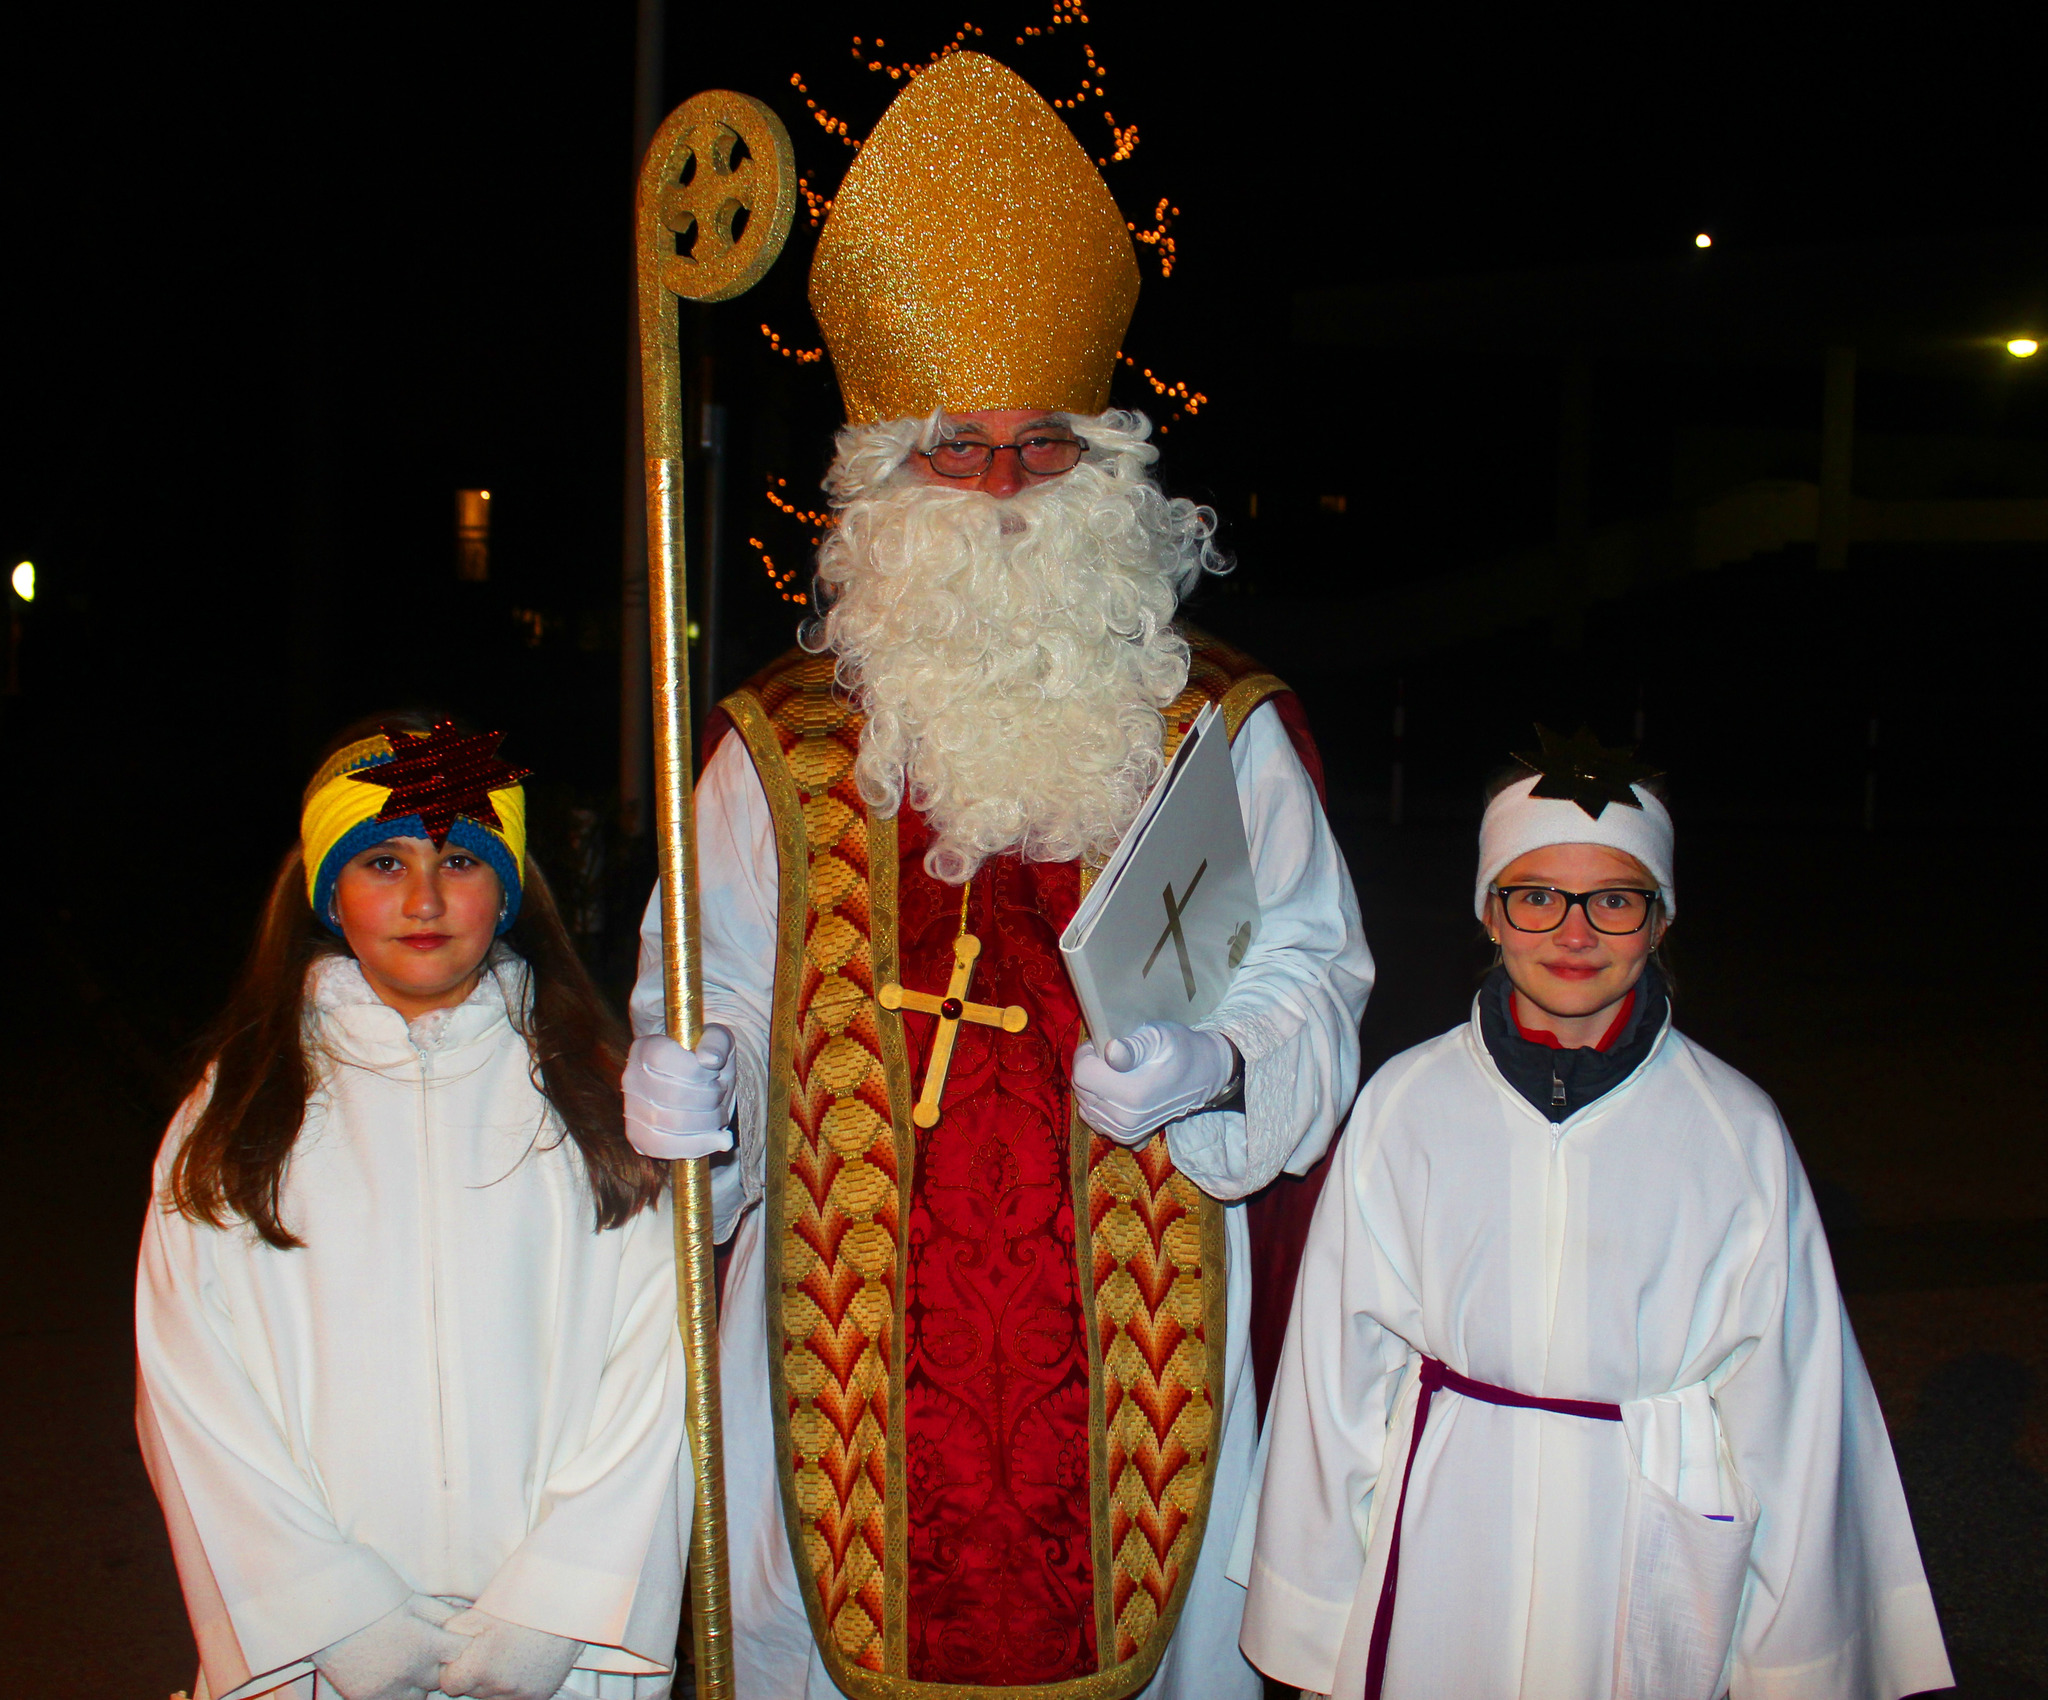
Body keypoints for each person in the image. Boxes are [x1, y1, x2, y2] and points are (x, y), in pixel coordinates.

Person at [619, 50, 1372, 1700]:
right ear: (886, 475)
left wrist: (1219, 1063)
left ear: (1109, 471)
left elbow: (1309, 977)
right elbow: (721, 991)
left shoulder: (1209, 732)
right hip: (836, 1367)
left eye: (1045, 451)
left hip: (1141, 1341)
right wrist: (701, 1091)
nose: (1006, 490)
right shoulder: (770, 748)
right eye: (958, 449)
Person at [1235, 728, 1952, 1700]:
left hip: (1643, 1528)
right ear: (1489, 912)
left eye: (1613, 900)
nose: (1572, 934)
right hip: (1451, 1523)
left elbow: (1795, 1402)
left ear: (1659, 920)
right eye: (1535, 895)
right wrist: (1314, 1614)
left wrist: (1794, 1656)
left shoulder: (1730, 1127)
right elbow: (1334, 1378)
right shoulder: (1406, 1104)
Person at [137, 714, 698, 1700]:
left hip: (554, 1654)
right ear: (326, 886)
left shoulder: (592, 1096)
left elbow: (657, 1366)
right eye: (385, 861)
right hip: (317, 1659)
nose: (426, 898)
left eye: (461, 861)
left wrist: (556, 1608)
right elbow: (192, 1388)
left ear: (512, 887)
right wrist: (331, 1612)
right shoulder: (239, 1109)